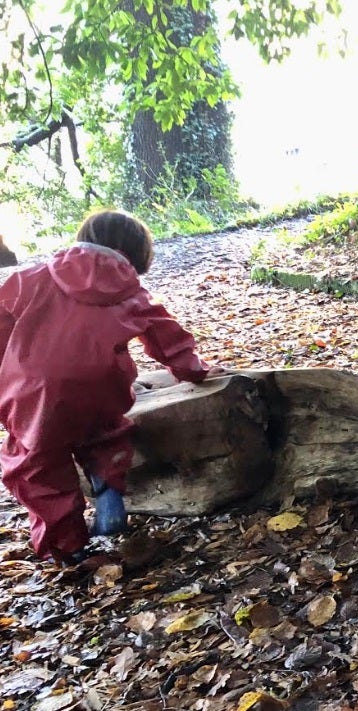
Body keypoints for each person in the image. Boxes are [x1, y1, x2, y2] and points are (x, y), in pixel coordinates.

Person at [0, 209, 215, 563]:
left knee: (35, 465)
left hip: (31, 390)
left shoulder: (31, 278)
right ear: (136, 252)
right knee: (106, 433)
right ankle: (110, 495)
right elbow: (166, 334)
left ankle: (67, 546)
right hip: (101, 385)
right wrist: (193, 369)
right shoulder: (131, 291)